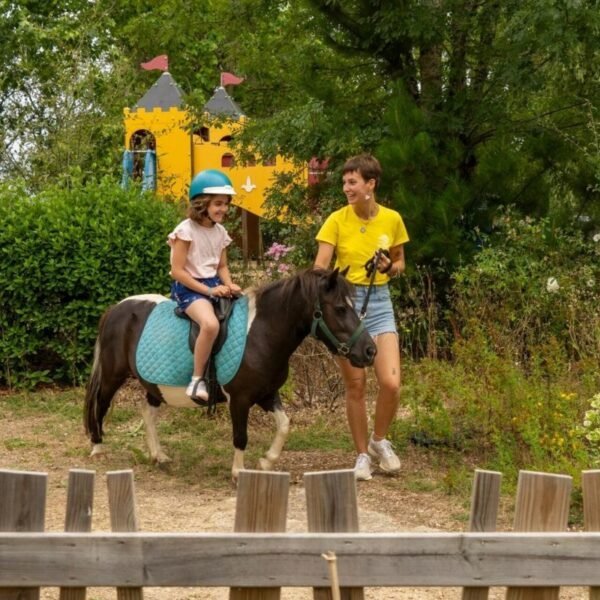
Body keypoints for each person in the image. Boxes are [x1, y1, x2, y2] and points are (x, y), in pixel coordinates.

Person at [314, 153, 409, 480]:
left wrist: (389, 268)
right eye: (345, 182)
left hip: (380, 301)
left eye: (352, 182)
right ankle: (360, 457)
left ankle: (379, 442)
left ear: (371, 184)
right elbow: (319, 266)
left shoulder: (392, 219)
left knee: (391, 383)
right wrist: (330, 286)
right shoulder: (336, 220)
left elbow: (400, 263)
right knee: (356, 385)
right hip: (346, 306)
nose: (346, 187)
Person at [168, 169, 242, 401]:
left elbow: (221, 266)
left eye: (226, 204)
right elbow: (177, 271)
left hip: (215, 284)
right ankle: (196, 380)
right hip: (189, 289)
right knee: (210, 324)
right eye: (218, 204)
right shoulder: (185, 231)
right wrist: (210, 290)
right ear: (202, 204)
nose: (224, 209)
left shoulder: (220, 232)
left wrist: (229, 284)